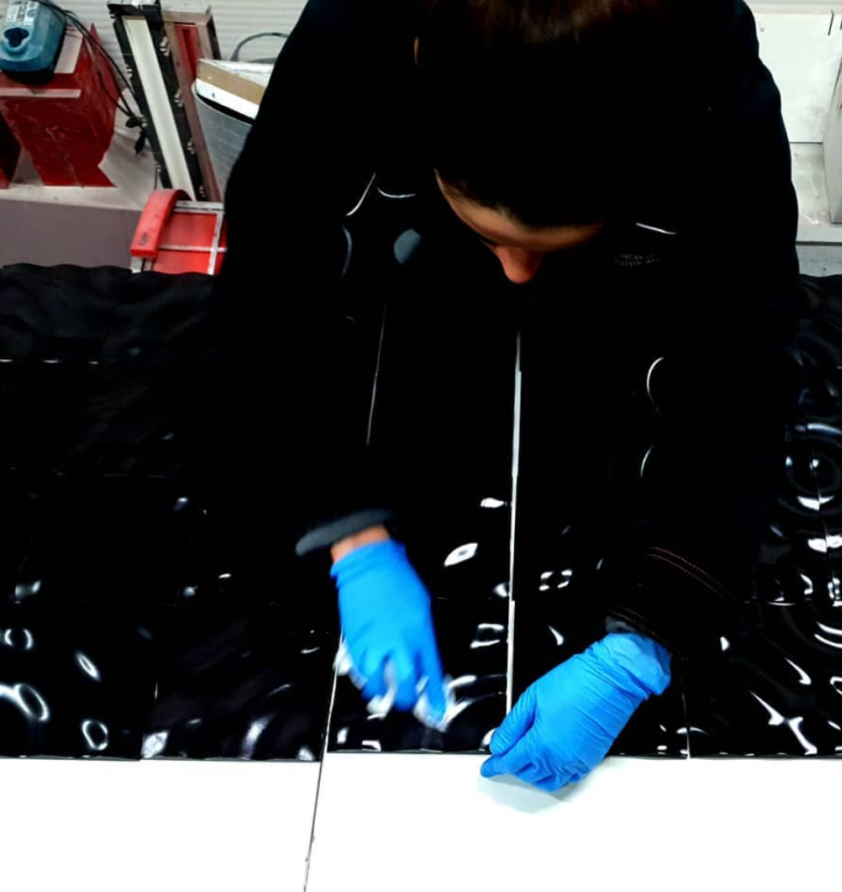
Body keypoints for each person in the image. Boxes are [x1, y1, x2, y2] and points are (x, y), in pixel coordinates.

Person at [214, 0, 800, 791]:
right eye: (493, 237)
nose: (519, 276)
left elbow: (747, 357)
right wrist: (347, 532)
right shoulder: (354, 37)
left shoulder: (710, 83)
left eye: (547, 246)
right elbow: (267, 287)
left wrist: (652, 633)